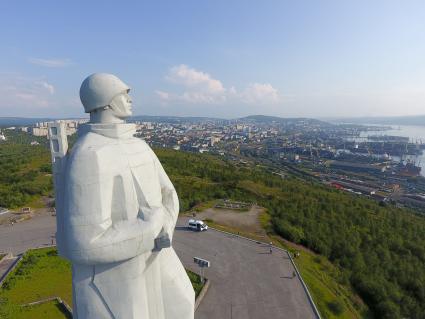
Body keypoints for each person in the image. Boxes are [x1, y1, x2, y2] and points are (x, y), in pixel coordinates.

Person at [57, 74, 194, 319]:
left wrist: (166, 228)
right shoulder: (89, 154)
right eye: (124, 94)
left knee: (183, 301)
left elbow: (169, 193)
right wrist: (150, 227)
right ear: (106, 100)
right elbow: (84, 243)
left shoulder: (140, 145)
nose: (130, 99)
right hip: (114, 279)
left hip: (157, 257)